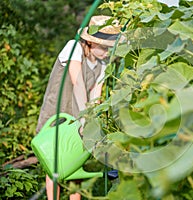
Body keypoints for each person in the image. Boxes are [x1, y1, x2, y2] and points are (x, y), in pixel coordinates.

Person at [36, 15, 122, 200]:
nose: (107, 53)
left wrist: (90, 119)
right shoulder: (73, 48)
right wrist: (84, 118)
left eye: (110, 48)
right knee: (56, 163)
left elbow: (96, 94)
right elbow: (78, 83)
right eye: (104, 47)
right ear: (90, 42)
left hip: (79, 112)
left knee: (75, 161)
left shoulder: (104, 63)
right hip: (59, 110)